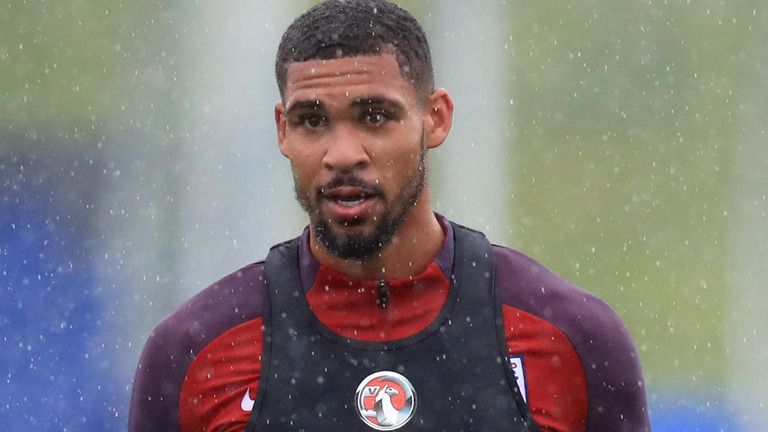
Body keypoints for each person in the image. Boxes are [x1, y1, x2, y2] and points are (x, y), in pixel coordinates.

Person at [128, 1, 652, 431]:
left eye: (374, 117)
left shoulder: (571, 336)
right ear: (283, 130)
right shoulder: (194, 350)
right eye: (312, 121)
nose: (343, 154)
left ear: (435, 118)